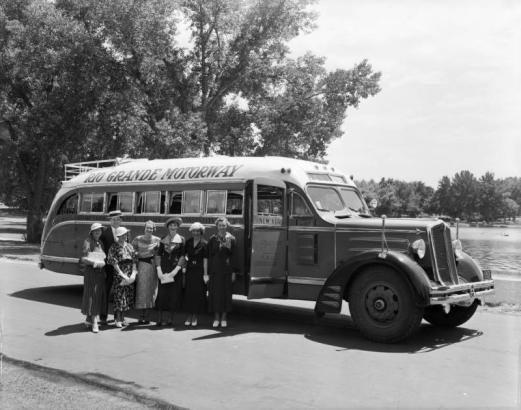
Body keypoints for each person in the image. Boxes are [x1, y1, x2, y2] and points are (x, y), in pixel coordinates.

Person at [205, 217, 240, 328]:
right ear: (217, 226)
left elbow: (234, 256)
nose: (222, 227)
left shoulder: (232, 239)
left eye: (224, 225)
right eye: (220, 225)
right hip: (215, 271)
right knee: (215, 295)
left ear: (227, 226)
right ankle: (216, 318)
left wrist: (234, 272)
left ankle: (224, 318)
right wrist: (207, 272)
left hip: (227, 271)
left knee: (226, 295)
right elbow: (209, 256)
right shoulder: (212, 239)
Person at [155, 217, 186, 326]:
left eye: (175, 225)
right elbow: (158, 255)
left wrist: (177, 270)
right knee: (162, 294)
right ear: (168, 227)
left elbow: (183, 256)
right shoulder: (163, 238)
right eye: (171, 225)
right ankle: (159, 318)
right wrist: (158, 270)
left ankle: (170, 319)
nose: (173, 227)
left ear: (178, 227)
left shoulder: (182, 239)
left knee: (174, 295)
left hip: (175, 271)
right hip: (164, 269)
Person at [107, 226, 137, 328]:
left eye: (126, 234)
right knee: (119, 297)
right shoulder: (114, 247)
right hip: (119, 274)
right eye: (123, 235)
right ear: (118, 236)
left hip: (129, 274)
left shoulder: (130, 246)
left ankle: (123, 317)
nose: (125, 236)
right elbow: (113, 262)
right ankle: (117, 318)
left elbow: (134, 260)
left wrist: (133, 274)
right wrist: (121, 274)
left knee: (127, 296)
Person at [80, 223, 107, 333]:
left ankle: (89, 318)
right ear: (92, 232)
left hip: (100, 272)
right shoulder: (88, 242)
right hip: (91, 272)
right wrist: (94, 262)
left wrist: (102, 264)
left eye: (99, 230)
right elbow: (83, 258)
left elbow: (103, 257)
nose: (98, 232)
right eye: (95, 230)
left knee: (97, 295)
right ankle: (95, 322)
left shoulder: (100, 243)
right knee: (92, 295)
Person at [131, 220, 160, 324]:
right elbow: (132, 252)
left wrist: (159, 268)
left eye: (151, 228)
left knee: (150, 291)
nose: (149, 230)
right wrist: (134, 266)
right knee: (141, 291)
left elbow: (158, 255)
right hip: (141, 267)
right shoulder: (137, 239)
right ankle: (140, 315)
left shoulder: (157, 240)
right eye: (147, 228)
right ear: (144, 228)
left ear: (154, 229)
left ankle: (146, 316)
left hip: (152, 268)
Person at [99, 210, 123, 324]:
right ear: (110, 220)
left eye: (118, 219)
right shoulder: (104, 233)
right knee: (106, 291)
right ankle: (103, 317)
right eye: (113, 219)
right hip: (108, 267)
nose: (116, 222)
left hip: (121, 268)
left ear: (121, 220)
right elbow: (101, 251)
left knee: (120, 292)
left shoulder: (125, 232)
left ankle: (117, 317)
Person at [182, 222, 208, 327]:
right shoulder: (188, 242)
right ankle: (189, 316)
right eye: (194, 231)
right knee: (189, 293)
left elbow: (206, 259)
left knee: (198, 294)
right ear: (191, 232)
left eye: (198, 231)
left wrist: (206, 274)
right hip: (190, 270)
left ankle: (195, 317)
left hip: (200, 271)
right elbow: (184, 255)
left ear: (201, 232)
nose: (196, 233)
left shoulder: (205, 243)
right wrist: (184, 266)